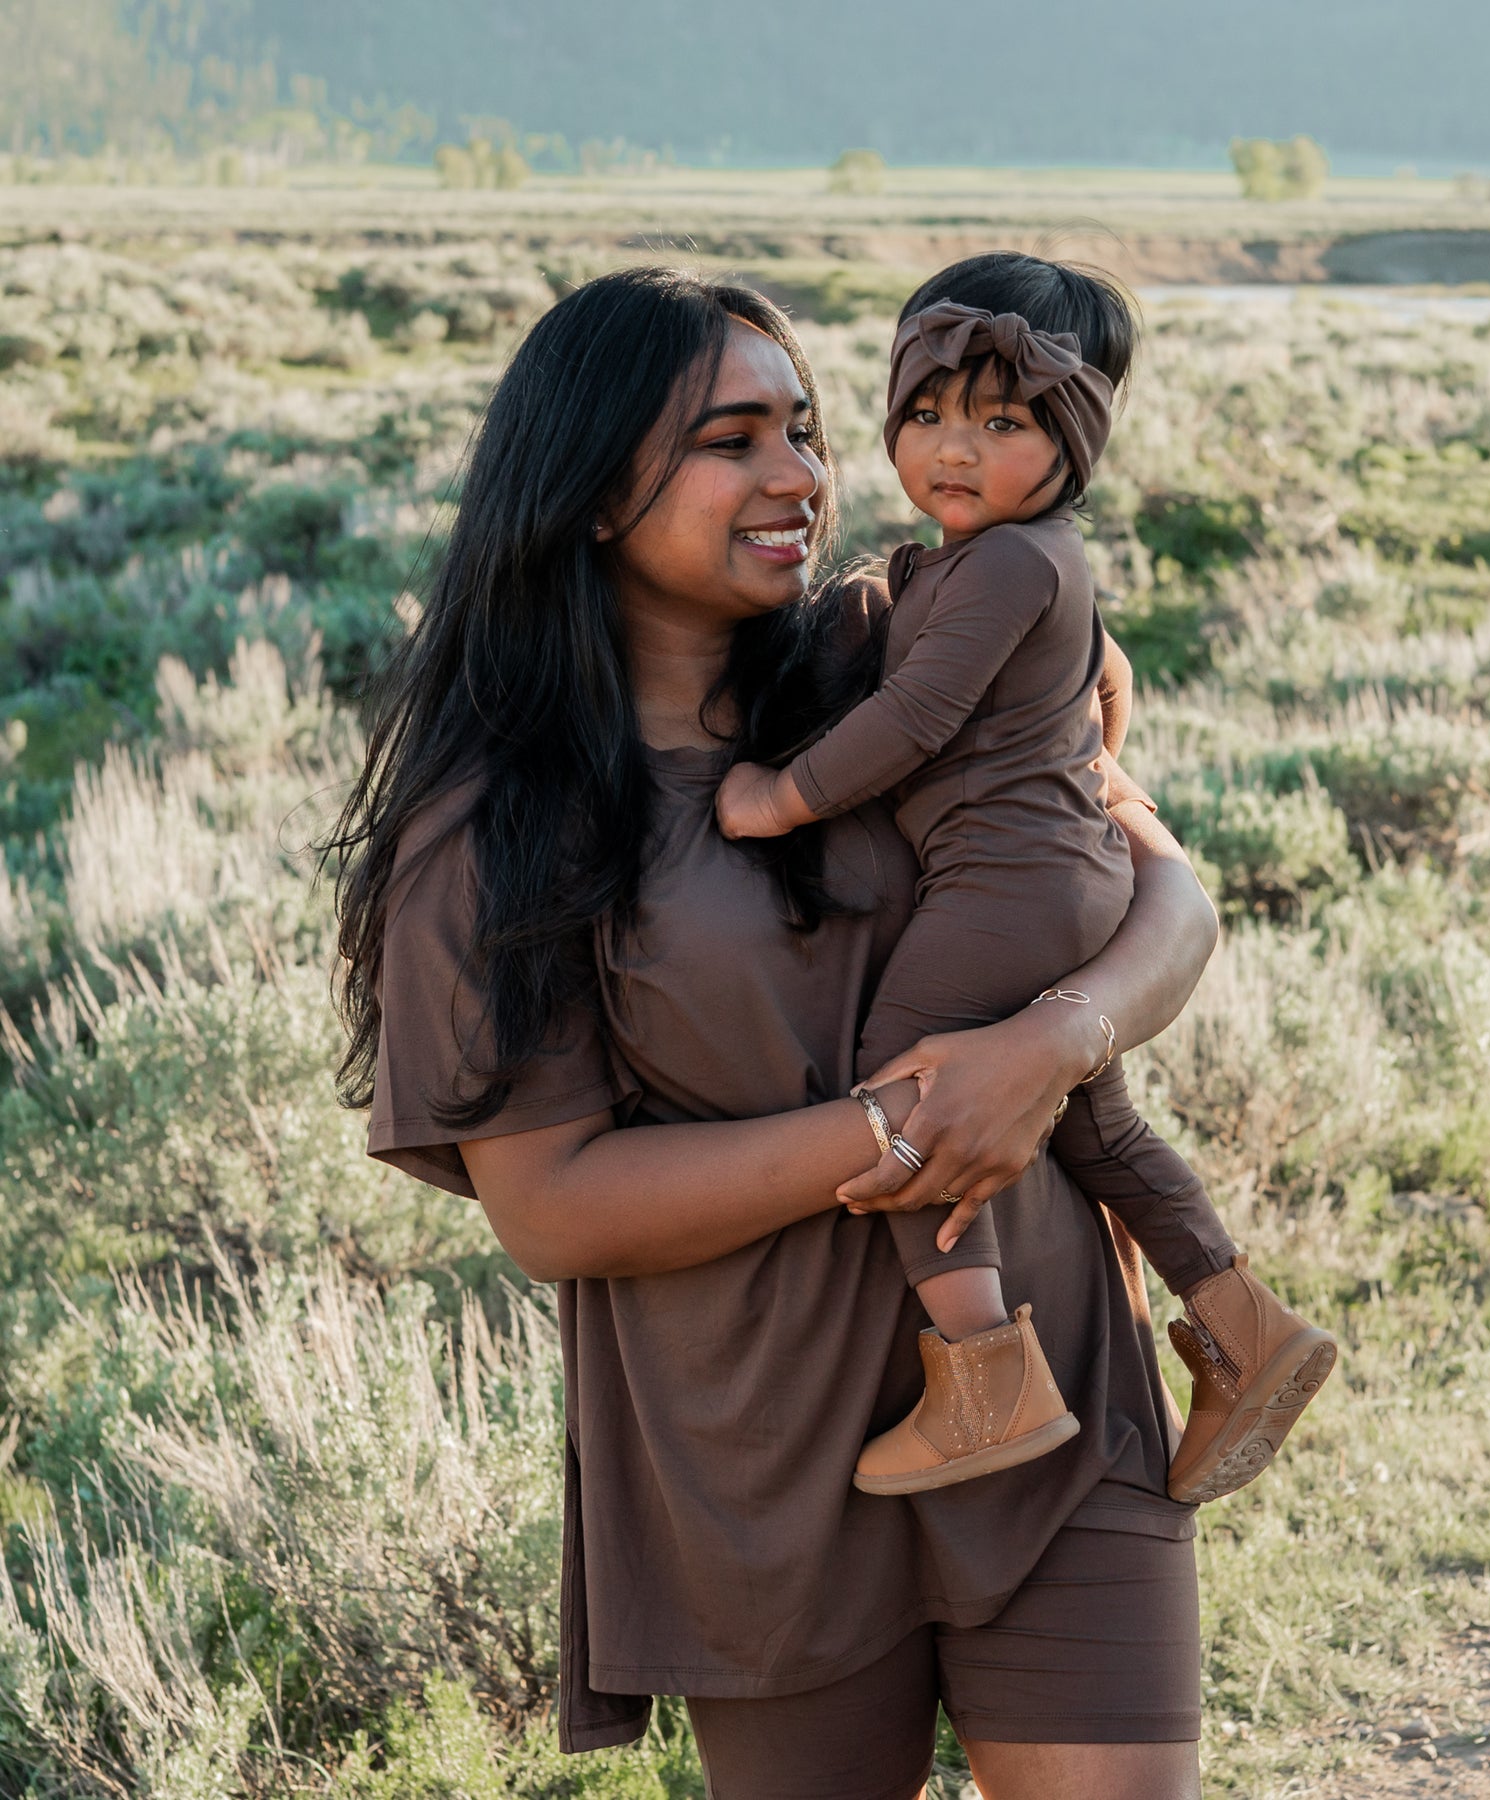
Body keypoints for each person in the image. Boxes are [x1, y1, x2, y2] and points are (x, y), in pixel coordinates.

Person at [333, 264, 1215, 1799]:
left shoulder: (896, 665)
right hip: (759, 1460)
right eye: (734, 439)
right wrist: (906, 1129)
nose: (803, 475)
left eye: (806, 427)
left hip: (1048, 1378)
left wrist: (1054, 1046)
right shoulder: (493, 835)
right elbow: (551, 1205)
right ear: (595, 488)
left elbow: (1169, 898)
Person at [716, 254, 1336, 1502]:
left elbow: (916, 717)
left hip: (1010, 886)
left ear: (1080, 438)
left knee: (907, 1093)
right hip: (1058, 880)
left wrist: (777, 796)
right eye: (929, 413)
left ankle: (984, 1377)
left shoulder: (1009, 564)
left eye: (1002, 422)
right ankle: (1247, 1327)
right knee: (1097, 1124)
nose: (955, 448)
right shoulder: (985, 559)